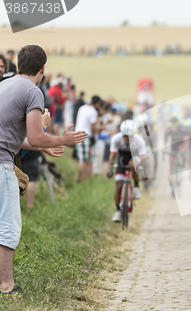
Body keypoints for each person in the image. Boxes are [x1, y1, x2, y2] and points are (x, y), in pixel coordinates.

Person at [0, 45, 87, 297]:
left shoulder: (5, 85)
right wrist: (62, 139)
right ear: (43, 69)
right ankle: (6, 286)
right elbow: (37, 136)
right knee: (8, 225)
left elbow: (15, 136)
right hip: (2, 162)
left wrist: (45, 145)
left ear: (18, 64)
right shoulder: (32, 90)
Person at [106, 120, 147, 222]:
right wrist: (110, 169)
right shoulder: (116, 139)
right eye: (125, 136)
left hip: (135, 157)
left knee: (133, 164)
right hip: (122, 159)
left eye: (129, 137)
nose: (127, 139)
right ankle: (118, 211)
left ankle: (136, 185)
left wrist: (144, 171)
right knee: (118, 185)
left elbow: (143, 158)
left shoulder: (139, 140)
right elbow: (113, 156)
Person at [75, 95, 101, 182]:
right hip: (85, 136)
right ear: (97, 103)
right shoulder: (93, 111)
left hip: (77, 134)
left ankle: (78, 178)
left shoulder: (82, 108)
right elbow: (92, 127)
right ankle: (83, 180)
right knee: (84, 160)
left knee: (81, 158)